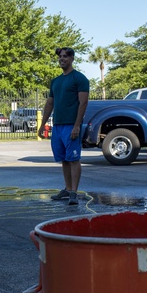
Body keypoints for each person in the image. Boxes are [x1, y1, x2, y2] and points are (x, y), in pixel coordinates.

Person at [39, 47, 90, 206]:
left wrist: (76, 126)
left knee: (74, 159)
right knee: (64, 159)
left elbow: (83, 103)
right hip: (58, 126)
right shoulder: (55, 81)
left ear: (72, 58)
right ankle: (67, 189)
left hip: (71, 125)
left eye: (65, 56)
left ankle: (74, 192)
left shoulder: (79, 79)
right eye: (60, 56)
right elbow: (50, 104)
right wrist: (42, 125)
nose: (62, 59)